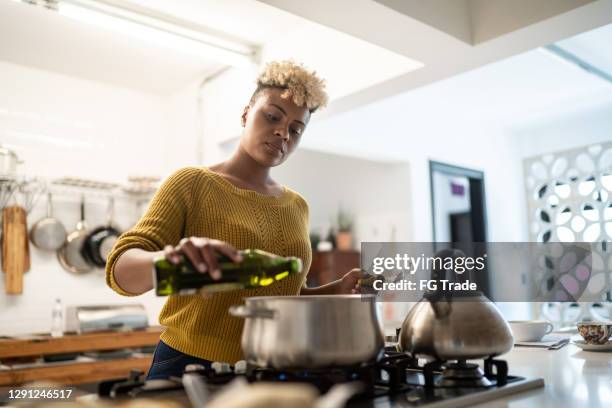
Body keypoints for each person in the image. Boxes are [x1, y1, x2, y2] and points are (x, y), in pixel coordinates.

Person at [105, 60, 364, 380]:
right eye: (272, 117)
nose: (283, 132)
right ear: (245, 114)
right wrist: (168, 261)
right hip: (191, 365)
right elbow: (120, 268)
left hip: (275, 363)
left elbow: (284, 295)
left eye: (296, 129)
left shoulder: (297, 206)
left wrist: (336, 290)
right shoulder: (191, 182)